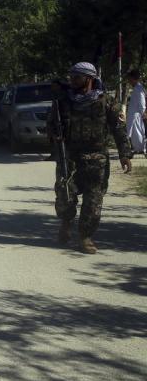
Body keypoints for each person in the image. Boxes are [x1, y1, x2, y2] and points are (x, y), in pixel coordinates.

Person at [48, 62, 132, 254]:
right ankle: (66, 223)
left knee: (93, 200)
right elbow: (51, 123)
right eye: (71, 76)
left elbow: (119, 130)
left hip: (96, 158)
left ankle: (85, 237)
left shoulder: (107, 102)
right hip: (69, 156)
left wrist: (125, 155)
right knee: (65, 195)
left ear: (89, 79)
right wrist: (54, 135)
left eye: (76, 77)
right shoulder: (63, 101)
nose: (72, 80)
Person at [126, 69, 145, 157]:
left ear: (134, 78)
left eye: (130, 79)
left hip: (136, 116)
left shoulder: (138, 89)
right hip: (133, 115)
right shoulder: (137, 88)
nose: (129, 81)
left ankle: (141, 149)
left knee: (137, 133)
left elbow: (142, 103)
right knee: (134, 134)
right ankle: (137, 149)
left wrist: (144, 112)